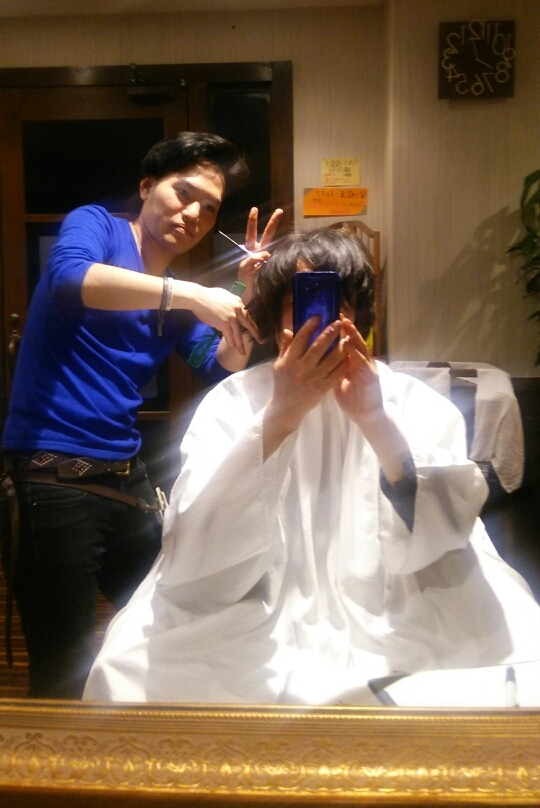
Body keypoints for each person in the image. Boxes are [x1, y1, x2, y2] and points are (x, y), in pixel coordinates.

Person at [84, 228, 540, 706]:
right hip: (258, 608)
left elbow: (449, 527)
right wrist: (281, 414)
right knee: (127, 670)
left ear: (359, 314)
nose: (324, 316)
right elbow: (198, 539)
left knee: (516, 659)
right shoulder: (234, 399)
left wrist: (375, 420)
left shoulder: (408, 398)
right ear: (274, 314)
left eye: (341, 301)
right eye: (300, 302)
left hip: (397, 604)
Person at [0, 130, 282, 699]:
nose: (194, 213)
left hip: (127, 481)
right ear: (148, 186)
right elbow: (68, 280)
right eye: (184, 193)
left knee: (170, 627)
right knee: (62, 667)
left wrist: (244, 291)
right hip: (51, 478)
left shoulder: (172, 299)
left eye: (209, 207)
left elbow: (220, 365)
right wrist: (191, 294)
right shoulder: (98, 226)